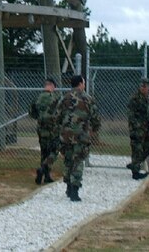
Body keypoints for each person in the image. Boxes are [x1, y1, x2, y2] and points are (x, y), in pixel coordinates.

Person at [57, 74, 101, 202]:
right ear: (81, 84)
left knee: (68, 160)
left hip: (66, 135)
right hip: (81, 136)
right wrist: (94, 130)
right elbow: (95, 118)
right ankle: (74, 190)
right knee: (78, 161)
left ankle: (68, 186)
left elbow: (58, 116)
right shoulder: (87, 98)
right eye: (84, 82)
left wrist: (63, 128)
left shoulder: (64, 98)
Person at [29, 76, 62, 184]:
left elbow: (32, 113)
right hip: (53, 130)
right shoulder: (55, 99)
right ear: (52, 86)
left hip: (41, 129)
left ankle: (46, 176)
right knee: (54, 151)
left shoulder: (37, 98)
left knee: (44, 152)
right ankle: (43, 169)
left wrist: (40, 117)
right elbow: (60, 115)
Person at [127, 77, 149, 180]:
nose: (148, 89)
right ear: (142, 87)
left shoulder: (147, 98)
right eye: (147, 87)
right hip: (137, 129)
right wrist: (136, 128)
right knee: (137, 149)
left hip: (145, 129)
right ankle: (135, 173)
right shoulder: (135, 99)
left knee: (148, 146)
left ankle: (134, 164)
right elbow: (131, 115)